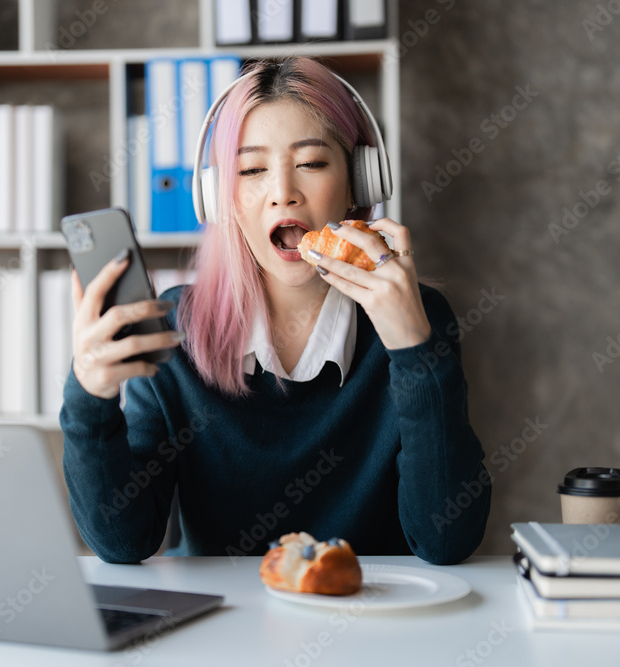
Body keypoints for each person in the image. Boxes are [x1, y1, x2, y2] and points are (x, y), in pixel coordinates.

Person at [60, 57, 490, 565]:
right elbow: (123, 541)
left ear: (359, 182)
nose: (282, 192)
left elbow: (446, 541)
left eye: (311, 163)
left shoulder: (419, 317)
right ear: (224, 201)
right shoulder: (178, 331)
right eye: (252, 170)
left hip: (374, 624)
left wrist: (415, 351)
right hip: (224, 631)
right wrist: (89, 397)